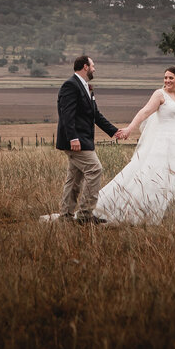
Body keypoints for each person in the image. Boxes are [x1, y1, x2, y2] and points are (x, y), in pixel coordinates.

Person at [94, 66, 175, 225]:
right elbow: (144, 112)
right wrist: (129, 129)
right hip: (163, 144)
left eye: (171, 78)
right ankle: (139, 211)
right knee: (154, 178)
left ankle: (171, 215)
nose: (167, 81)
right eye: (165, 78)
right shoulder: (159, 94)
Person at [53, 56, 122, 225]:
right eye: (93, 66)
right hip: (76, 141)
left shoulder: (86, 87)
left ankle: (66, 216)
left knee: (74, 178)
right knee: (95, 169)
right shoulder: (71, 85)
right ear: (85, 67)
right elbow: (66, 115)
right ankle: (85, 214)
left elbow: (95, 115)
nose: (94, 69)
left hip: (82, 139)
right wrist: (73, 138)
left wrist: (114, 132)